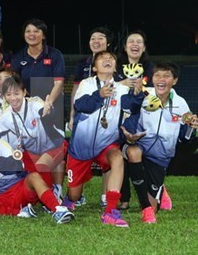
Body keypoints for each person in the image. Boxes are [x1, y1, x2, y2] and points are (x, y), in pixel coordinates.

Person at [121, 62, 197, 224]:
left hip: (160, 156)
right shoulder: (144, 95)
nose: (161, 79)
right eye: (157, 75)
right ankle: (146, 210)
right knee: (133, 152)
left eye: (166, 75)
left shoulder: (181, 104)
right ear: (152, 79)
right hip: (139, 144)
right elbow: (127, 109)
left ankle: (159, 192)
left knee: (155, 204)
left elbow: (186, 139)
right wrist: (129, 136)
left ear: (174, 81)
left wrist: (192, 128)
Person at [65, 51, 131, 227]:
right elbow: (80, 106)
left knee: (117, 158)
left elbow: (133, 112)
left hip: (106, 144)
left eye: (111, 59)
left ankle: (110, 211)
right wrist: (99, 95)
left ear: (116, 67)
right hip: (81, 147)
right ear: (94, 67)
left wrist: (139, 96)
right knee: (75, 195)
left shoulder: (123, 89)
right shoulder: (86, 84)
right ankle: (69, 199)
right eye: (102, 59)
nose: (107, 60)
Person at [9, 18, 66, 196]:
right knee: (29, 150)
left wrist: (48, 102)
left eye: (36, 31)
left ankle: (57, 189)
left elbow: (59, 82)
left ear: (43, 35)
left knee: (54, 148)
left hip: (52, 109)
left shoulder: (55, 55)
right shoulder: (19, 57)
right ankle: (31, 188)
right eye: (28, 31)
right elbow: (14, 84)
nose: (32, 34)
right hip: (27, 111)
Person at [0, 74, 66, 204]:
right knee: (30, 173)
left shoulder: (35, 103)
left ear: (24, 92)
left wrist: (48, 110)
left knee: (41, 167)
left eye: (16, 93)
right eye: (8, 95)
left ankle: (53, 197)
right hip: (33, 152)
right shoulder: (6, 115)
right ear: (4, 97)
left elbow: (47, 114)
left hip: (54, 145)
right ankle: (55, 184)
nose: (13, 98)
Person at [68, 26, 113, 207]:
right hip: (85, 118)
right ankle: (79, 195)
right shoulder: (83, 64)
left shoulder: (113, 63)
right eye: (93, 38)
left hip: (106, 119)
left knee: (108, 157)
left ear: (108, 43)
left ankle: (105, 196)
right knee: (82, 155)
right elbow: (76, 91)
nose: (96, 41)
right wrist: (72, 116)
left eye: (100, 38)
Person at [114, 29, 158, 210]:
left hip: (144, 120)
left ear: (144, 47)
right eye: (131, 41)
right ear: (125, 47)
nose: (135, 44)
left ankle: (157, 189)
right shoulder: (116, 67)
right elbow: (108, 87)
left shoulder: (151, 68)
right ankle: (124, 197)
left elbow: (156, 93)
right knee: (119, 155)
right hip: (117, 119)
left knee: (140, 156)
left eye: (139, 42)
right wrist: (121, 84)